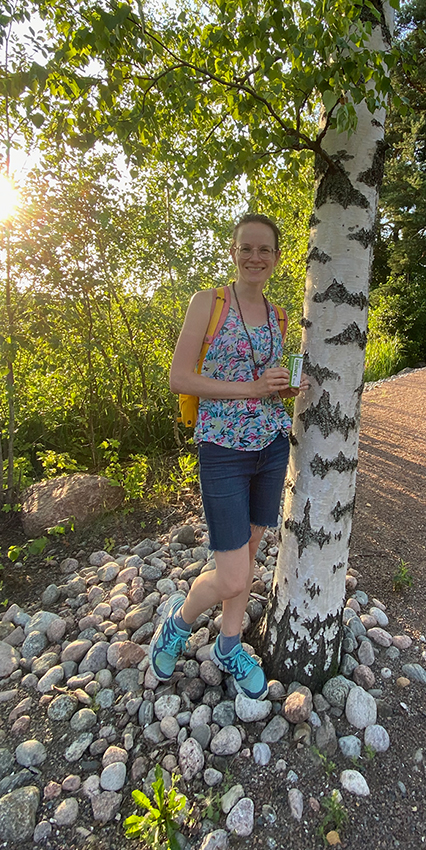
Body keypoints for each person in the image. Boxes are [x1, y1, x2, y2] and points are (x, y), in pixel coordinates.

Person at [150, 213, 308, 699]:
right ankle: (179, 622)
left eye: (265, 250)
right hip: (222, 448)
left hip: (271, 444)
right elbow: (180, 378)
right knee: (235, 572)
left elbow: (270, 382)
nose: (255, 257)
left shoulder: (279, 315)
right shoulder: (208, 303)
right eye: (247, 248)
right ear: (233, 252)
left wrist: (285, 386)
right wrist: (252, 388)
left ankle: (229, 644)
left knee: (249, 556)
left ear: (277, 258)